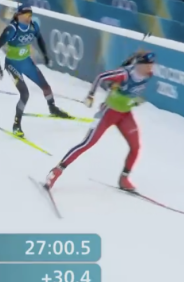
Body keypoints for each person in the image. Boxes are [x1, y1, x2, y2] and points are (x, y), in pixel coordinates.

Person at [45, 51, 155, 193]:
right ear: (139, 64)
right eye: (148, 65)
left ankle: (124, 179)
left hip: (125, 115)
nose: (151, 68)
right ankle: (56, 171)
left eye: (152, 65)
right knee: (87, 143)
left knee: (136, 146)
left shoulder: (149, 74)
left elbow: (131, 89)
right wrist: (90, 95)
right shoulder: (125, 74)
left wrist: (133, 101)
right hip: (108, 113)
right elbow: (101, 77)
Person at [0, 5, 71, 137]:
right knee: (25, 94)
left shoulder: (33, 27)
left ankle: (52, 108)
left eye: (30, 15)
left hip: (26, 62)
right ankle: (16, 125)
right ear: (19, 15)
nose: (29, 18)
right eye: (27, 15)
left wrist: (45, 56)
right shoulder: (12, 29)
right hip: (12, 65)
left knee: (46, 86)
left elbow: (40, 39)